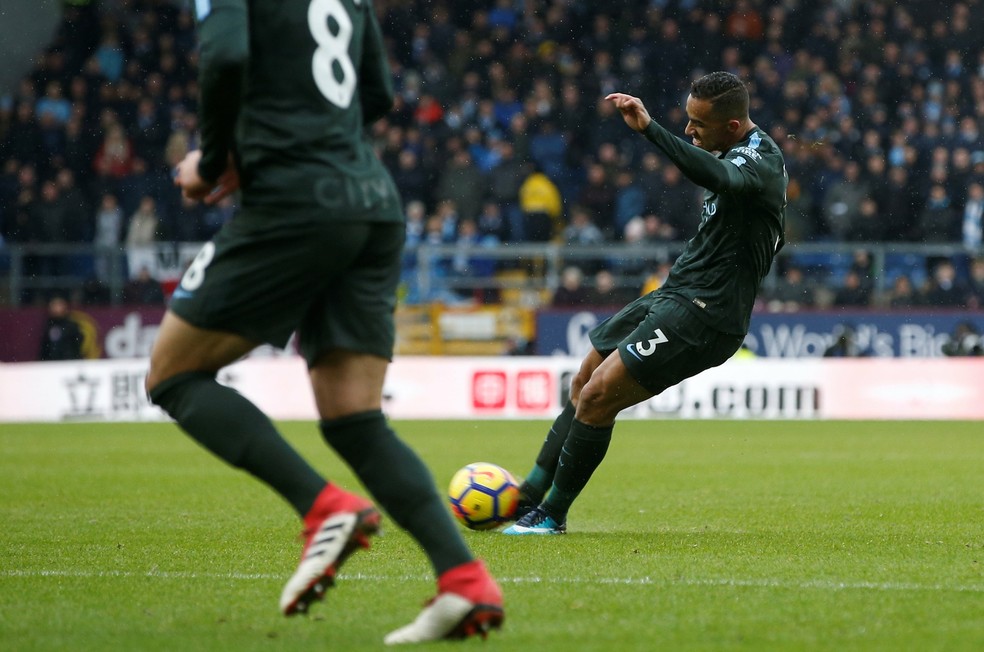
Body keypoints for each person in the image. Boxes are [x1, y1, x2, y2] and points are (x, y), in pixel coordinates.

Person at [145, 2, 501, 645]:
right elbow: (378, 93)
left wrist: (221, 159)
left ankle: (323, 507)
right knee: (354, 420)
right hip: (370, 200)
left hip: (294, 201)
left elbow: (225, 55)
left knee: (172, 375)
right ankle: (464, 581)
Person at [504, 72, 787, 535]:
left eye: (698, 124)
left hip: (705, 313)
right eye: (687, 120)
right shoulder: (734, 152)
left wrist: (652, 130)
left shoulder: (761, 160)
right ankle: (529, 493)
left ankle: (551, 514)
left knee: (598, 397)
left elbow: (718, 176)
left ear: (733, 126)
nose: (689, 130)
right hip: (676, 292)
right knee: (584, 381)